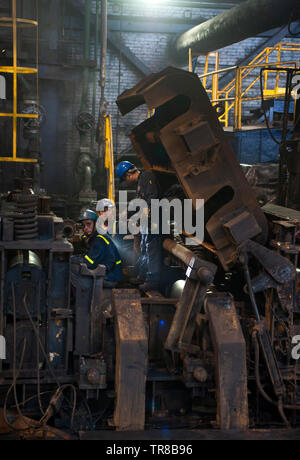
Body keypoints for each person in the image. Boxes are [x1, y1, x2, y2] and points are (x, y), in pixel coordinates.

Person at [116, 161, 162, 292]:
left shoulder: (147, 177)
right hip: (146, 221)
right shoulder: (140, 182)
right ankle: (142, 276)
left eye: (125, 179)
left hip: (154, 221)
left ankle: (152, 281)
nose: (127, 182)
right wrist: (127, 212)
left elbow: (152, 200)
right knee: (143, 248)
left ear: (128, 175)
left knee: (151, 249)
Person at [71, 209, 122, 288]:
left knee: (73, 269)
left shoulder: (99, 240)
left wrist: (71, 259)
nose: (85, 228)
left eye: (88, 224)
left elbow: (89, 262)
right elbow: (89, 254)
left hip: (109, 278)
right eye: (83, 225)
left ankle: (83, 298)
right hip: (109, 274)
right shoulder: (95, 237)